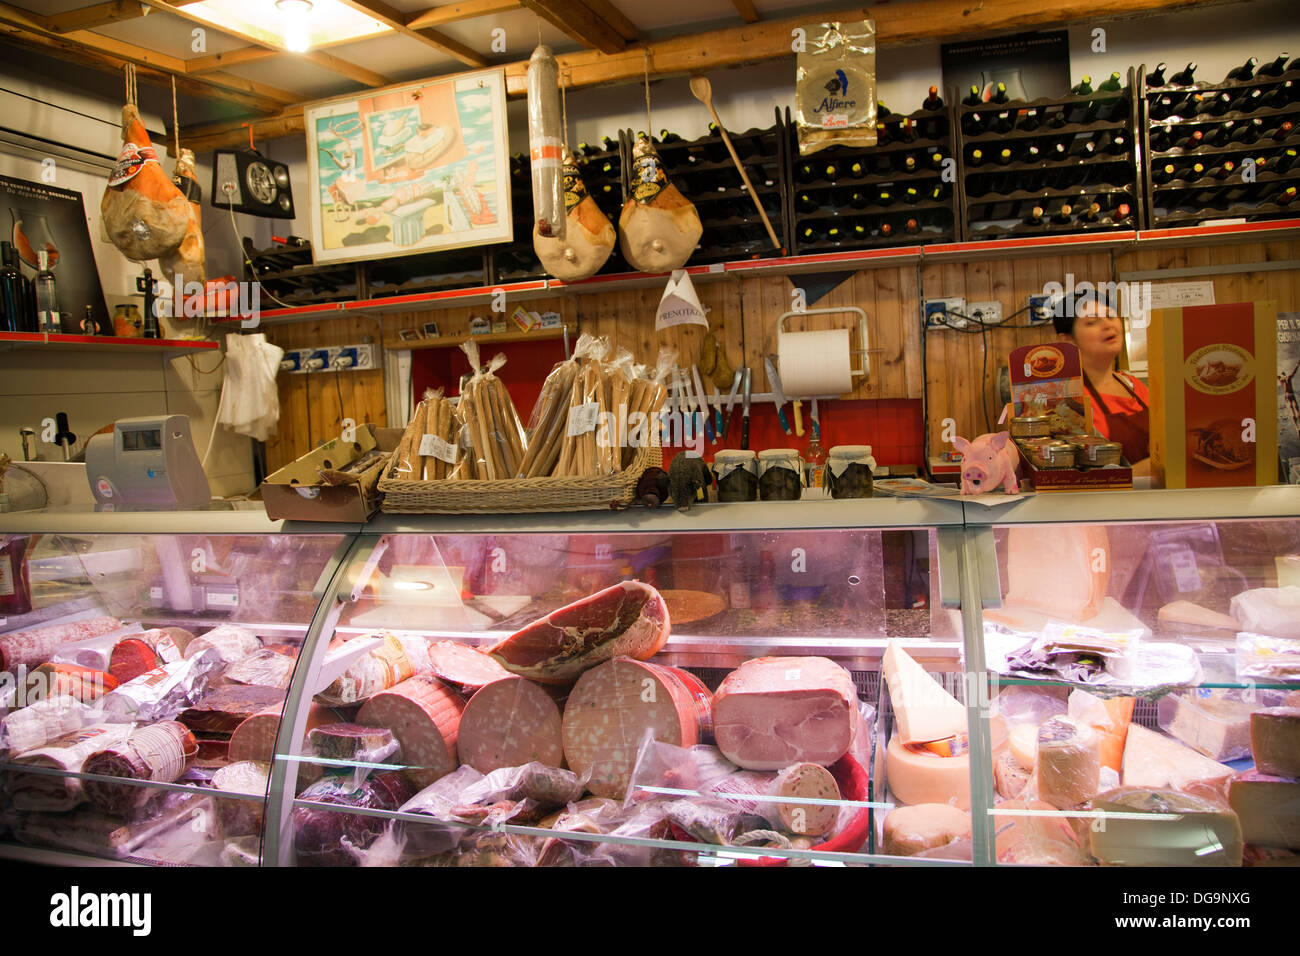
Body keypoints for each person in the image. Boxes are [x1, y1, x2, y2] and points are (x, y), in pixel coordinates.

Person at [1053, 292, 1151, 477]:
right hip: (1104, 503)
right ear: (1068, 341)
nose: (1108, 324)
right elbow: (1073, 480)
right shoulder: (1066, 400)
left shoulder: (1133, 385)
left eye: (1110, 316)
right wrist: (1148, 469)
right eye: (1092, 321)